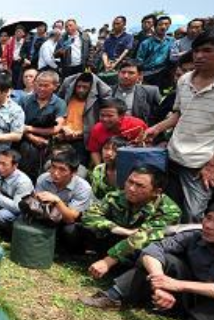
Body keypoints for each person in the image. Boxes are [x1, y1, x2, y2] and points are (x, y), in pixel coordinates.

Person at [80, 204, 214, 320]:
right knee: (163, 260)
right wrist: (159, 281)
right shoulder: (193, 236)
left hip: (208, 306)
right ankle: (115, 296)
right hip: (184, 297)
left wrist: (177, 285)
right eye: (209, 218)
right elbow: (153, 249)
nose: (209, 225)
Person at [146, 32, 214, 223]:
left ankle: (196, 250)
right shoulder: (184, 80)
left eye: (207, 51)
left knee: (194, 214)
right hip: (174, 153)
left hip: (200, 163)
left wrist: (211, 165)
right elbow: (179, 113)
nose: (199, 56)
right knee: (169, 207)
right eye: (197, 50)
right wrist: (157, 129)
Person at [81, 166, 181, 279]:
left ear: (156, 192)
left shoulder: (170, 211)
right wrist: (117, 229)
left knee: (147, 249)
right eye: (130, 182)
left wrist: (107, 261)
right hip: (116, 241)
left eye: (140, 186)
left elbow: (142, 238)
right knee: (78, 229)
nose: (131, 188)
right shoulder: (115, 197)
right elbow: (88, 215)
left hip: (139, 252)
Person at [34, 148, 93, 250]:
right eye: (53, 167)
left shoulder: (83, 187)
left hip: (76, 221)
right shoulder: (43, 179)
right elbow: (37, 204)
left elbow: (70, 219)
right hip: (50, 215)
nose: (55, 173)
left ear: (73, 172)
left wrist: (57, 201)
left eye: (62, 169)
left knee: (70, 231)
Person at [18, 70, 67, 181]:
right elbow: (17, 124)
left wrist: (30, 128)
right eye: (39, 85)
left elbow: (56, 129)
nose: (41, 88)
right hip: (24, 141)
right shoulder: (25, 100)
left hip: (48, 145)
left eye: (46, 86)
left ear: (55, 86)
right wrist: (32, 137)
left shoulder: (60, 103)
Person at [57, 72, 112, 164]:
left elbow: (107, 93)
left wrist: (80, 133)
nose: (81, 90)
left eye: (85, 87)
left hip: (82, 141)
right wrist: (63, 128)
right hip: (62, 138)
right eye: (78, 86)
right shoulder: (67, 98)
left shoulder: (96, 102)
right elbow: (57, 116)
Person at [87, 98, 147, 167]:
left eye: (110, 116)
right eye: (102, 115)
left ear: (121, 116)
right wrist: (100, 168)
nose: (105, 119)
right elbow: (94, 151)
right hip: (109, 166)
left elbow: (148, 146)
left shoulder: (137, 125)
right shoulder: (97, 129)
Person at [110, 60, 161, 124]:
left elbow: (158, 116)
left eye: (131, 73)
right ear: (118, 73)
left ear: (139, 75)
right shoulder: (107, 91)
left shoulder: (151, 92)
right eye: (123, 72)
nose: (126, 76)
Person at [135, 16, 173, 89]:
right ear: (155, 26)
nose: (163, 26)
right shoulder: (146, 43)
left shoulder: (172, 41)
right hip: (148, 74)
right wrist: (140, 74)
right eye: (160, 24)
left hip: (164, 74)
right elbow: (139, 60)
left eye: (166, 24)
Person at [89, 136, 127, 200]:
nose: (108, 153)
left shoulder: (128, 172)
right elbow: (95, 196)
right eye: (106, 148)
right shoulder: (98, 170)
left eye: (115, 150)